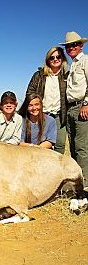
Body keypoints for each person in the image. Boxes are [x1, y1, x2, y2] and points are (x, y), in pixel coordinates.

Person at [26, 46, 69, 154]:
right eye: (52, 57)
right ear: (47, 60)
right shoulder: (39, 75)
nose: (55, 59)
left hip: (60, 116)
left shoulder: (67, 75)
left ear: (63, 58)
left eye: (58, 56)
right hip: (41, 114)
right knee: (40, 144)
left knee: (59, 144)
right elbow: (29, 93)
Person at [60, 31, 88, 191]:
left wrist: (86, 104)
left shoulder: (85, 60)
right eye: (69, 46)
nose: (71, 47)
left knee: (82, 147)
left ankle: (85, 186)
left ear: (81, 45)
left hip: (81, 107)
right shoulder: (72, 65)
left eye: (74, 44)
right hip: (71, 108)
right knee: (73, 147)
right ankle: (77, 183)